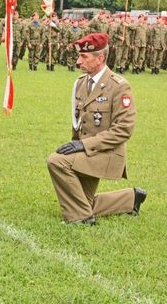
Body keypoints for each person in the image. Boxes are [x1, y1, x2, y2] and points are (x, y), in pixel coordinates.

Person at [46, 32, 146, 225]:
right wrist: (76, 145)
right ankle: (131, 199)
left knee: (56, 161)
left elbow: (123, 130)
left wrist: (82, 146)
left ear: (100, 58)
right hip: (87, 153)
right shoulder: (81, 83)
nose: (78, 61)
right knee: (83, 202)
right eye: (79, 56)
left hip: (106, 154)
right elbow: (78, 124)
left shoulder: (119, 87)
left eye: (84, 57)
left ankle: (82, 218)